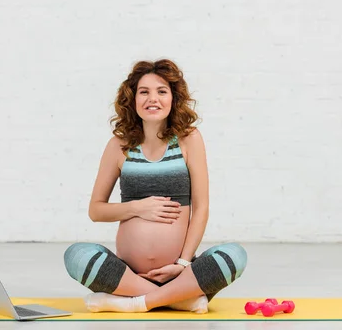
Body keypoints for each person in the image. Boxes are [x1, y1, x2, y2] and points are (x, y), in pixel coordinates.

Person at [63, 59, 247, 313]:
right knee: (75, 255)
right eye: (144, 92)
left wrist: (183, 264)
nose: (153, 99)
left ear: (173, 98)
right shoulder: (119, 145)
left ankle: (134, 303)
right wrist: (138, 208)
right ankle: (176, 299)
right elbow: (96, 210)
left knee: (235, 255)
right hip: (127, 275)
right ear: (133, 99)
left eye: (161, 91)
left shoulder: (188, 139)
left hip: (179, 272)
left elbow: (201, 208)